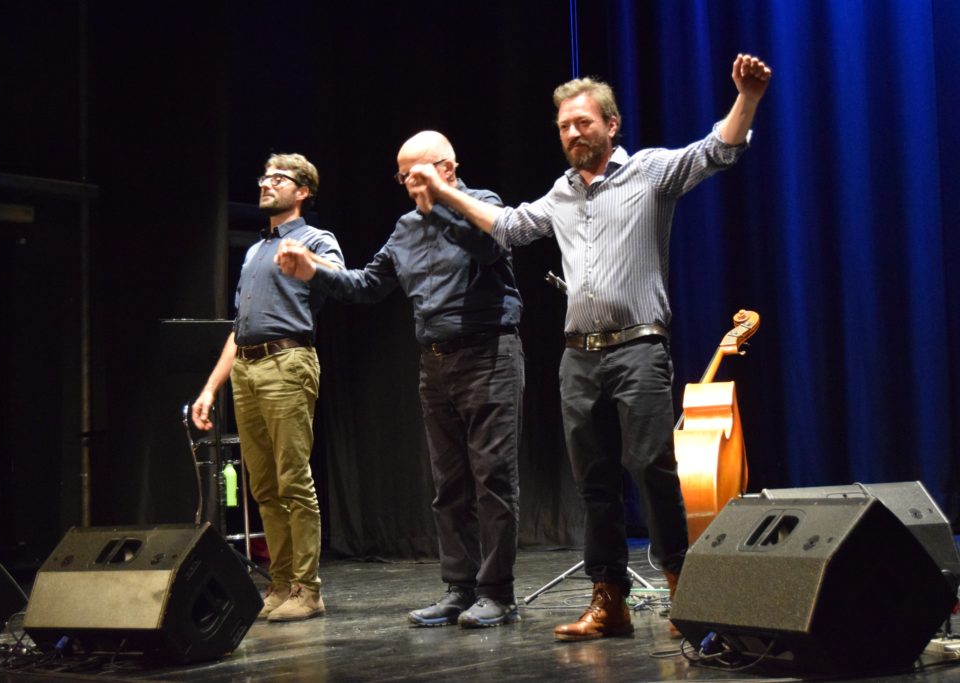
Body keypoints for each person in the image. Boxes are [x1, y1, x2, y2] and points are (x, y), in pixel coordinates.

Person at [407, 54, 772, 641]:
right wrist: (448, 193)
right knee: (593, 483)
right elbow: (508, 227)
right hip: (578, 356)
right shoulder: (561, 193)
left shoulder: (649, 172)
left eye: (583, 122)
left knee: (652, 470)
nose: (573, 133)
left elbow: (716, 150)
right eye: (564, 127)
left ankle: (684, 591)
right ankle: (609, 600)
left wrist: (746, 99)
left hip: (639, 348)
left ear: (611, 125)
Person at [277, 131, 525, 628]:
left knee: (492, 479)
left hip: (488, 354)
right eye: (403, 176)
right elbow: (369, 284)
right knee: (448, 485)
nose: (410, 183)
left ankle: (497, 592)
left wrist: (440, 208)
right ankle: (460, 588)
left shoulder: (484, 205)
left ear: (447, 169)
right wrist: (313, 272)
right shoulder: (405, 227)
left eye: (419, 173)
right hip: (435, 362)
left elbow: (486, 248)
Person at [192, 153, 344, 622]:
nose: (266, 183)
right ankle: (280, 584)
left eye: (279, 178)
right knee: (262, 485)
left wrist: (307, 261)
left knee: (293, 479)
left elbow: (343, 279)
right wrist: (210, 389)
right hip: (247, 368)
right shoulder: (255, 251)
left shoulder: (316, 239)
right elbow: (239, 327)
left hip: (287, 362)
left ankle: (308, 589)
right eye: (264, 176)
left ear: (303, 191)